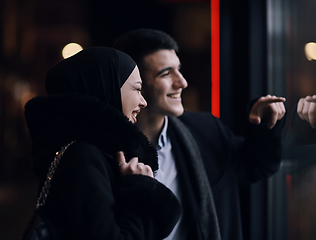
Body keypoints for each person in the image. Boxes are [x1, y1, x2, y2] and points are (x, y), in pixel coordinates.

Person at [113, 29, 287, 240]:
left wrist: (265, 125)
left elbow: (256, 165)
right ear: (135, 83)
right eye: (166, 73)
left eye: (179, 70)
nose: (182, 82)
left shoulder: (205, 129)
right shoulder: (107, 151)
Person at [23, 46, 181, 239]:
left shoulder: (89, 153)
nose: (143, 101)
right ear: (108, 87)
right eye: (137, 89)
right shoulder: (83, 159)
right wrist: (139, 190)